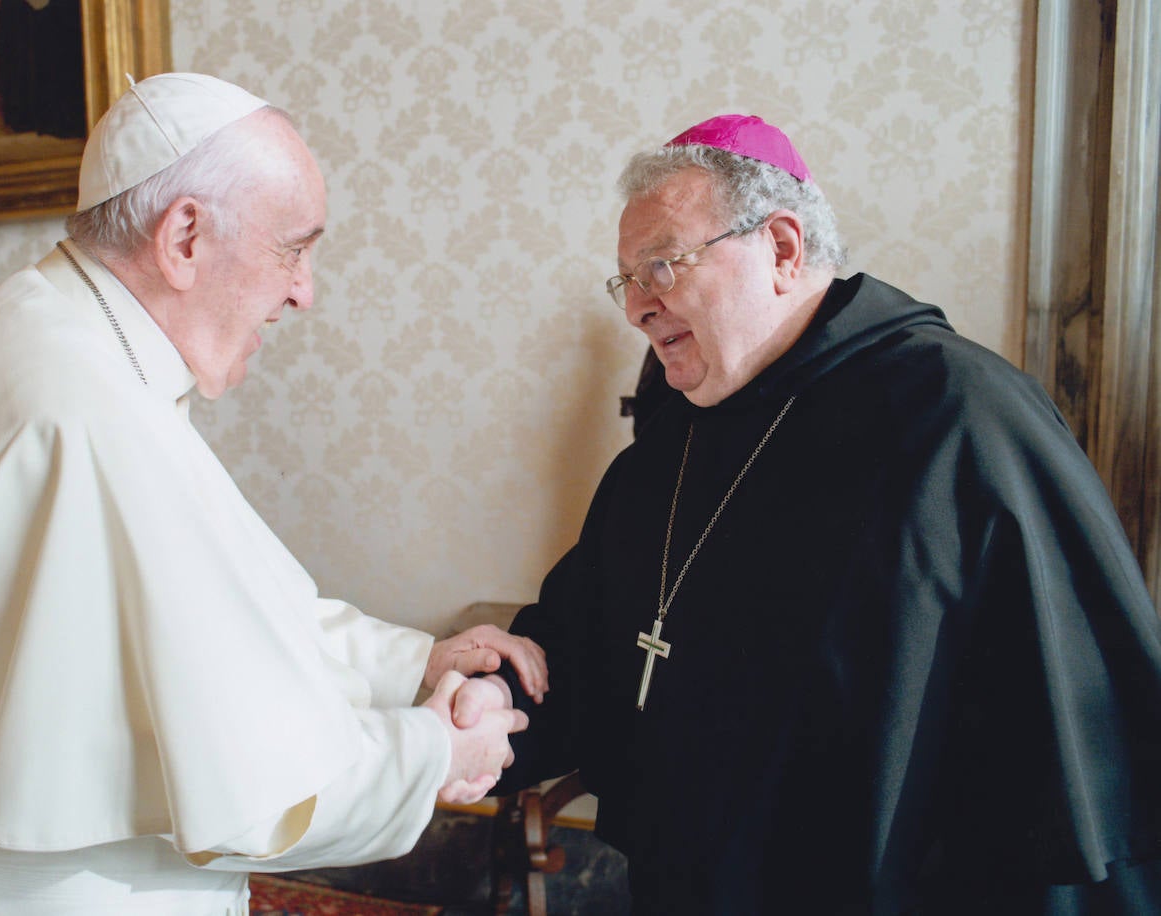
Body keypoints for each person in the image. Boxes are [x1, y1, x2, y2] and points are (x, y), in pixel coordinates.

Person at [0, 72, 545, 914]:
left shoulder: (51, 331)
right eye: (294, 247)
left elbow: (217, 616)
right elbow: (250, 787)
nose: (305, 289)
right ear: (183, 235)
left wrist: (413, 664)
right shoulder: (84, 407)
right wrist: (434, 750)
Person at [489, 114, 1161, 913]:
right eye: (625, 280)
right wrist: (485, 691)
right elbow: (582, 632)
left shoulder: (961, 418)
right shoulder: (671, 444)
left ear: (781, 247)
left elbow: (1066, 736)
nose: (636, 308)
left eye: (661, 267)